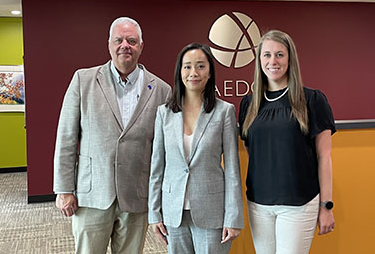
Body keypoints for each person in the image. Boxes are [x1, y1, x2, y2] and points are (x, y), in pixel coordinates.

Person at [53, 17, 171, 254]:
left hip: (136, 196)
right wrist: (64, 189)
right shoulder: (83, 80)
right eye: (119, 40)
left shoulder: (161, 90)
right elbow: (66, 138)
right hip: (93, 195)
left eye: (131, 41)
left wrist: (161, 199)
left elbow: (163, 151)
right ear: (109, 44)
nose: (125, 45)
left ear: (141, 46)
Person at [239, 30, 336, 254]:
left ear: (290, 59)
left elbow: (324, 157)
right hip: (259, 203)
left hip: (298, 204)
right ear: (259, 59)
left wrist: (326, 206)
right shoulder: (249, 104)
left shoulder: (312, 100)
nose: (273, 61)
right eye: (267, 55)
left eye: (280, 55)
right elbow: (252, 150)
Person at [148, 43, 244, 253]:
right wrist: (154, 213)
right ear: (179, 71)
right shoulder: (164, 113)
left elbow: (232, 169)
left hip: (212, 212)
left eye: (200, 66)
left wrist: (233, 216)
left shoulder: (224, 111)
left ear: (209, 73)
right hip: (173, 213)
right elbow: (157, 168)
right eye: (187, 66)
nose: (193, 73)